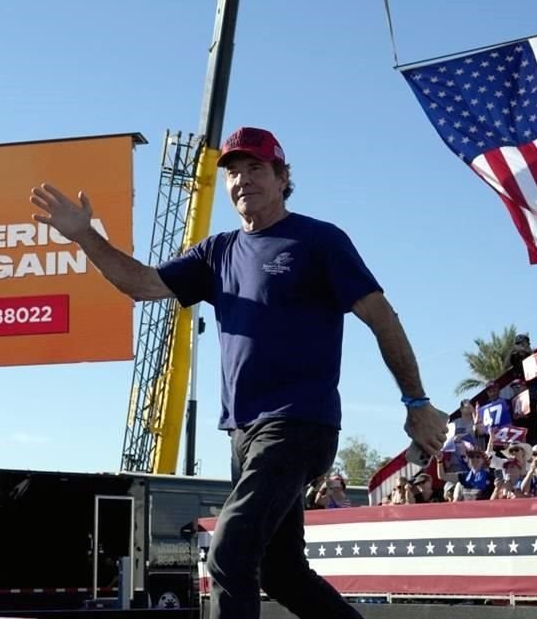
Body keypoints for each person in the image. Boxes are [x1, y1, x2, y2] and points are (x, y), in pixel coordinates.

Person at [30, 126, 447, 619]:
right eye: (232, 171)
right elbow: (141, 285)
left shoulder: (318, 241)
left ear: (281, 176)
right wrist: (84, 235)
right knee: (280, 570)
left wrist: (416, 403)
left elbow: (383, 318)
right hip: (243, 434)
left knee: (229, 552)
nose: (243, 180)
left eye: (256, 168)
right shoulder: (217, 252)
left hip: (298, 424)